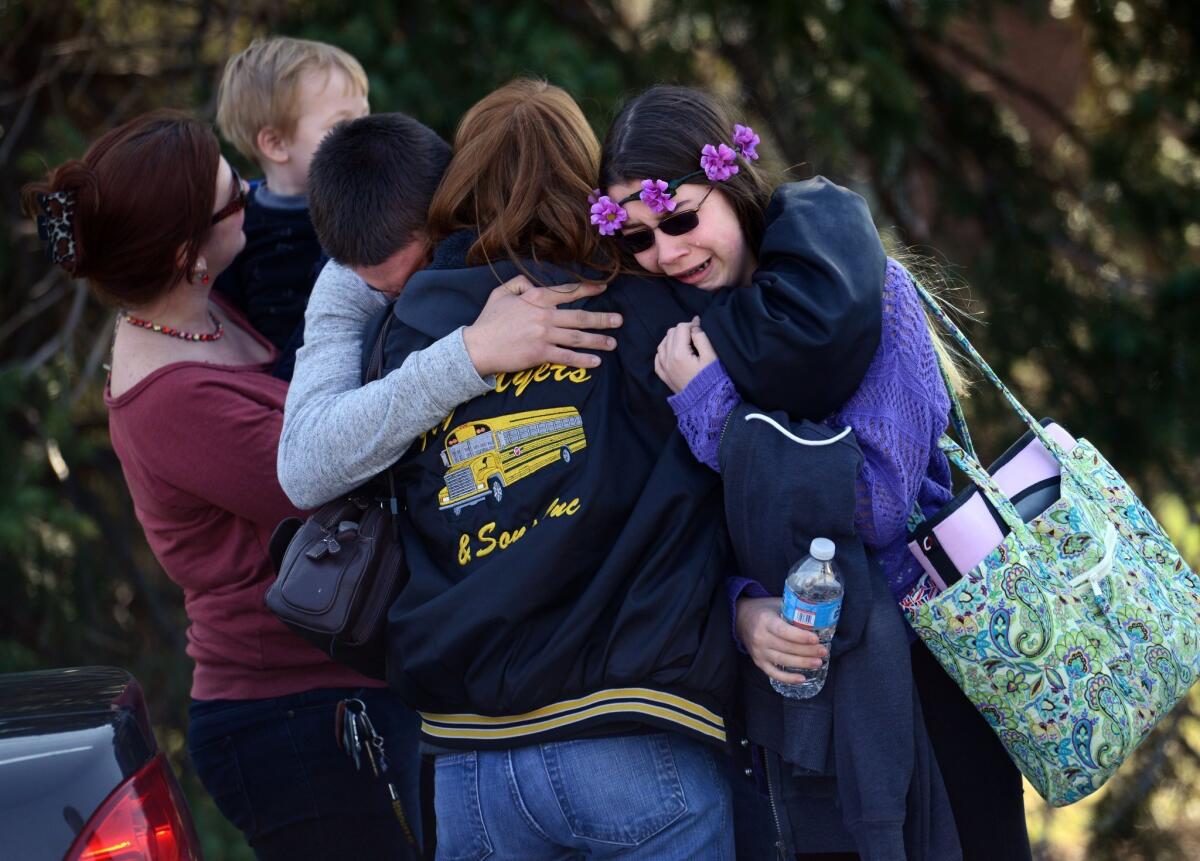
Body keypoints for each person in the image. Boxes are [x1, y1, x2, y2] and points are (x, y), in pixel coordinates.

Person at [370, 78, 886, 860]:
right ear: (589, 190)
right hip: (635, 735)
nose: (664, 248)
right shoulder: (654, 312)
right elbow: (799, 352)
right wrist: (817, 207)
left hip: (466, 758)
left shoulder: (409, 334)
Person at [598, 85, 1031, 860]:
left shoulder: (866, 296)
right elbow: (687, 529)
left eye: (682, 219)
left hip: (927, 671)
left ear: (731, 186)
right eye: (637, 240)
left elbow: (874, 503)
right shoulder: (674, 338)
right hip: (787, 715)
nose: (665, 253)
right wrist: (741, 613)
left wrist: (712, 411)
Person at [22, 111, 422, 861]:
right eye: (232, 198)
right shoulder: (174, 403)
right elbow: (337, 465)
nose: (248, 191)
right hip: (292, 718)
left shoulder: (199, 309)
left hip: (335, 688)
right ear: (185, 253)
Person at [277, 112, 624, 510]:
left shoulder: (508, 223)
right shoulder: (345, 279)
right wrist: (471, 353)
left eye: (421, 270)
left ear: (453, 205)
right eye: (382, 290)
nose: (409, 299)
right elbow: (302, 468)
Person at [213, 37, 370, 380]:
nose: (365, 134)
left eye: (365, 116)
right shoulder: (238, 228)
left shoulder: (376, 196)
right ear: (276, 144)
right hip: (294, 393)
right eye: (342, 125)